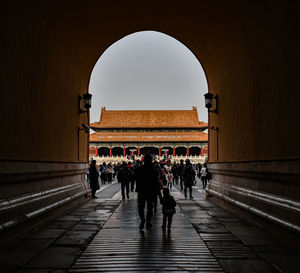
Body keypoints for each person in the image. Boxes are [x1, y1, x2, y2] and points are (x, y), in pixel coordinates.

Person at [135, 154, 161, 229]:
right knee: (150, 207)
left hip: (142, 191)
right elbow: (156, 182)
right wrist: (159, 194)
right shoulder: (154, 170)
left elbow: (135, 177)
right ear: (151, 160)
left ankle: (142, 219)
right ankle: (148, 221)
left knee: (141, 207)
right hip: (151, 190)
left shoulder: (139, 168)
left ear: (143, 160)